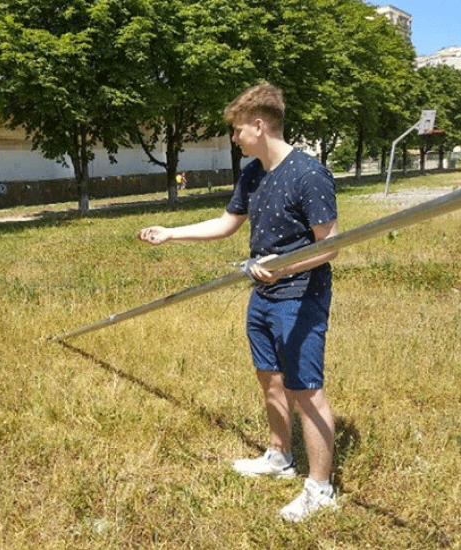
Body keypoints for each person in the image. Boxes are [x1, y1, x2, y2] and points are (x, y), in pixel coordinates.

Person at [138, 83, 339, 522]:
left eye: (236, 130)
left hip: (299, 297)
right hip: (263, 294)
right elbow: (228, 223)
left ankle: (321, 489)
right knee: (269, 378)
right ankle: (279, 456)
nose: (234, 138)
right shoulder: (254, 173)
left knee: (306, 390)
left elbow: (330, 246)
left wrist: (284, 268)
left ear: (259, 125)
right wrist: (171, 233)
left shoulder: (309, 173)